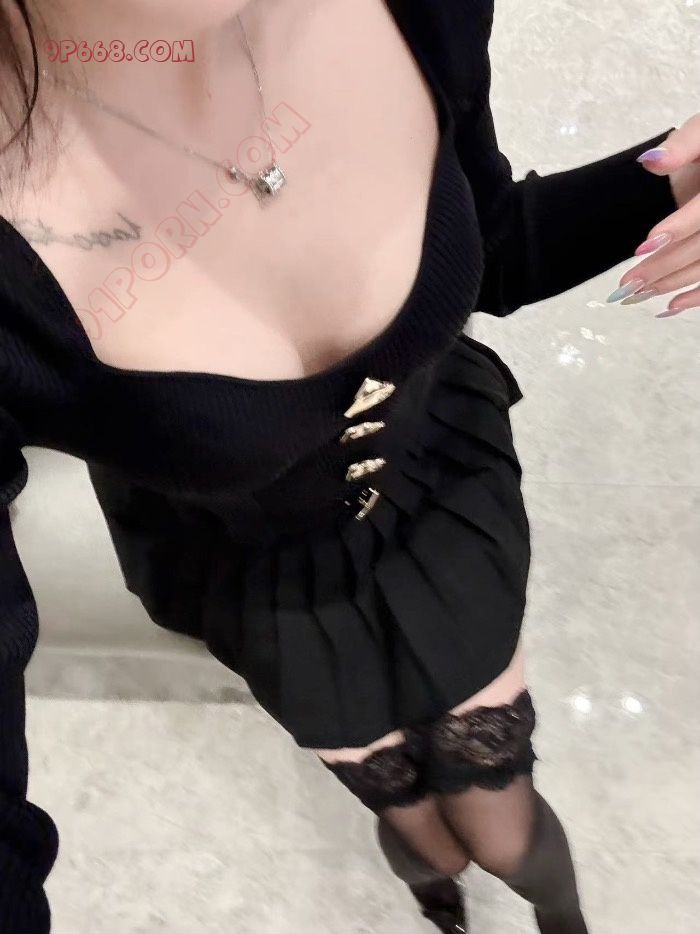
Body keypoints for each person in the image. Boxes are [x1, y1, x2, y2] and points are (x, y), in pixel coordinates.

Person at [1, 1, 698, 932]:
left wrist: (670, 184)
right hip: (259, 589)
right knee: (415, 825)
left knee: (505, 828)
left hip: (440, 503)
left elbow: (493, 245)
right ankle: (438, 899)